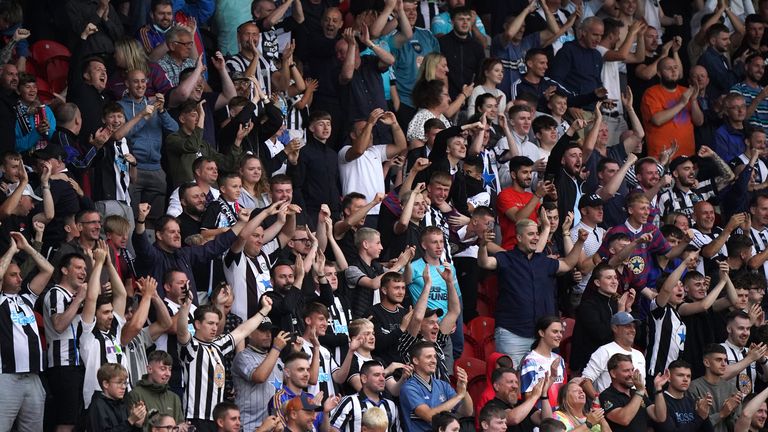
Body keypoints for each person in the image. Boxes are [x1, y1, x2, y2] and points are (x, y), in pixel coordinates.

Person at [479, 219, 588, 365]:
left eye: (537, 233)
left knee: (546, 382)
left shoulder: (544, 261)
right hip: (512, 333)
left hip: (543, 336)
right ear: (519, 237)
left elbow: (568, 264)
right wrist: (483, 245)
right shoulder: (506, 258)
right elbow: (484, 262)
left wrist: (580, 242)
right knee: (512, 381)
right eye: (531, 234)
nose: (536, 237)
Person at [176, 291, 273, 430]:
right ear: (197, 324)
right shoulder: (191, 346)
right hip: (195, 418)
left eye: (216, 323)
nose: (215, 327)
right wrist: (185, 307)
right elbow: (181, 332)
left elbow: (242, 331)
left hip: (217, 419)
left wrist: (264, 310)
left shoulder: (219, 345)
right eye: (210, 323)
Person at [0, 231, 53, 431]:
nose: (19, 278)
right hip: (7, 376)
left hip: (33, 377)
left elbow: (48, 270)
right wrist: (12, 250)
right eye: (13, 275)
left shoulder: (25, 299)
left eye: (20, 275)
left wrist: (28, 248)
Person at [400, 341, 473, 432]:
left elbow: (467, 412)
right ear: (415, 360)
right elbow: (429, 416)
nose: (434, 360)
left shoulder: (443, 385)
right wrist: (459, 396)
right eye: (428, 357)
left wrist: (464, 389)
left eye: (435, 356)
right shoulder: (409, 388)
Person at [641, 56, 704, 159]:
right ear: (659, 73)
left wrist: (693, 100)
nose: (673, 71)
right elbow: (657, 120)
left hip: (687, 155)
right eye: (668, 68)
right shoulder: (651, 93)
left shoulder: (685, 91)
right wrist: (682, 103)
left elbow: (699, 121)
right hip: (661, 156)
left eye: (675, 67)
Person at [581, 312, 647, 399]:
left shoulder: (639, 355)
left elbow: (643, 387)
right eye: (628, 326)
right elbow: (585, 380)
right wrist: (600, 403)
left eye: (634, 326)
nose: (633, 330)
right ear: (615, 328)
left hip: (637, 407)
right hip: (612, 408)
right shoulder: (604, 351)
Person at [601, 353, 667, 431]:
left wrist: (658, 388)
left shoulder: (636, 393)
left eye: (632, 370)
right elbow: (624, 419)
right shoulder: (606, 395)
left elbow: (660, 417)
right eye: (626, 371)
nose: (631, 374)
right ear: (613, 373)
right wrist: (640, 391)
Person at [330, 360, 402, 432]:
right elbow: (332, 430)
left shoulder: (390, 405)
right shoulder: (349, 402)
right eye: (377, 375)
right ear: (364, 379)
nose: (382, 379)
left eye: (383, 375)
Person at [689, 344, 743, 432]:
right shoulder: (694, 387)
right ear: (706, 362)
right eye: (718, 360)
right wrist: (721, 414)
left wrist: (731, 413)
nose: (723, 364)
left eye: (725, 360)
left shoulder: (732, 389)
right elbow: (691, 425)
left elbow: (738, 427)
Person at [125, 350, 185, 426]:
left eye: (170, 369)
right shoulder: (135, 394)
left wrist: (183, 427)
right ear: (149, 369)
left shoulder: (174, 398)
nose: (168, 374)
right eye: (163, 369)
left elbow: (180, 424)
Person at [484, 367, 554, 429]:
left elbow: (547, 422)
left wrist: (544, 394)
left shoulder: (522, 403)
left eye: (516, 382)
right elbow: (513, 419)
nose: (515, 386)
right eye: (510, 382)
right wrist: (534, 396)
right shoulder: (491, 406)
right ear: (497, 386)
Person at [520, 316, 567, 407]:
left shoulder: (559, 359)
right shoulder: (530, 361)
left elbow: (564, 391)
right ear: (542, 333)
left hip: (561, 415)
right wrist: (549, 381)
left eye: (561, 332)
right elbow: (528, 397)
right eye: (555, 331)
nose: (560, 335)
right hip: (541, 416)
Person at [653, 359, 712, 432]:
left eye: (688, 376)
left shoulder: (692, 402)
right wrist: (700, 417)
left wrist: (704, 413)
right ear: (669, 377)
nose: (685, 379)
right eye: (680, 375)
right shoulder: (660, 401)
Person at [86, 363, 147, 431]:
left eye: (125, 383)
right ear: (106, 384)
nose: (124, 387)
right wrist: (130, 421)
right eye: (119, 382)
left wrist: (137, 425)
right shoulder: (97, 405)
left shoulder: (122, 404)